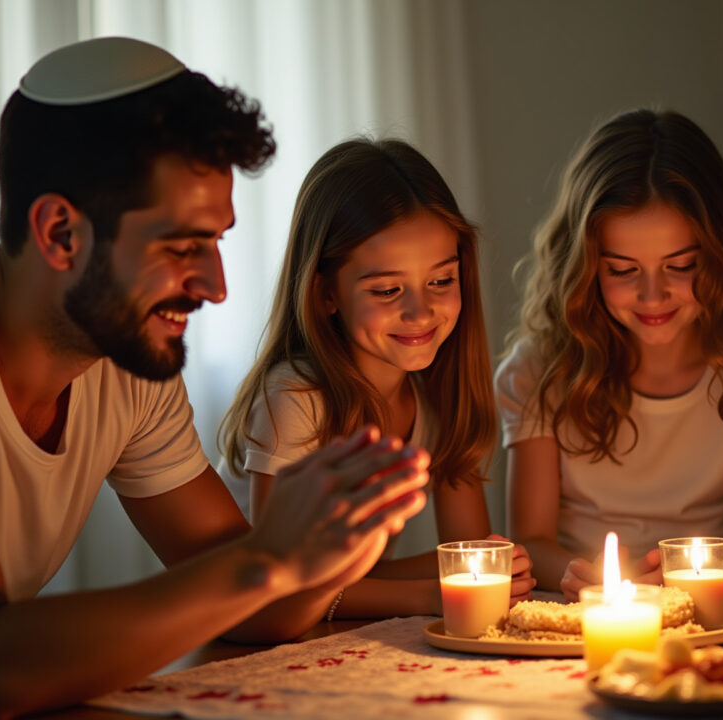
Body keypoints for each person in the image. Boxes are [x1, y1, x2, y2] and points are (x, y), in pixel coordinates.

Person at [0, 37, 429, 717]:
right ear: (60, 233)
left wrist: (319, 549)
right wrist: (267, 561)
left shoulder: (127, 362)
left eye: (216, 241)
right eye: (182, 246)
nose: (215, 286)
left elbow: (254, 609)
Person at [497, 109, 723, 601]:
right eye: (623, 270)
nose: (652, 295)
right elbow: (531, 541)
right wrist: (584, 576)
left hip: (714, 601)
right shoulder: (538, 370)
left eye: (680, 266)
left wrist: (684, 572)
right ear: (585, 268)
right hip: (583, 606)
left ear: (721, 256)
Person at [218, 138, 535, 618]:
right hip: (243, 630)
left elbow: (465, 557)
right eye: (387, 290)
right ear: (325, 294)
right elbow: (279, 588)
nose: (420, 311)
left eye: (441, 281)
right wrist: (433, 593)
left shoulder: (436, 401)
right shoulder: (295, 398)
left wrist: (492, 568)